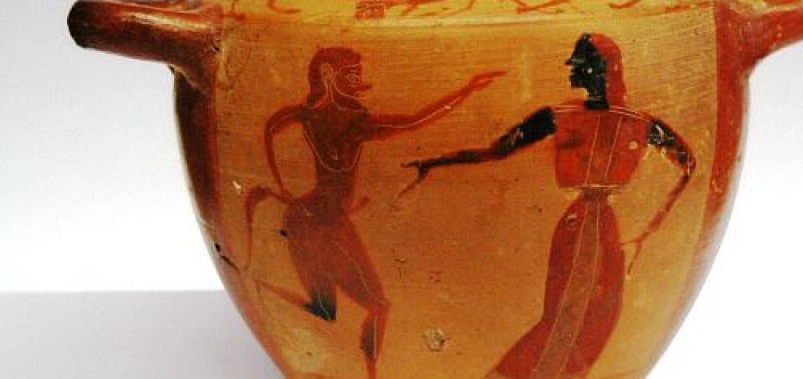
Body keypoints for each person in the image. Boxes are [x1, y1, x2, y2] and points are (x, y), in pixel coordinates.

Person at [405, 34, 695, 379]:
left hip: (598, 229)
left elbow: (688, 165)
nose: (572, 72)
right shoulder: (575, 118)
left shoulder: (626, 122)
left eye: (579, 65)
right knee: (567, 314)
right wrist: (439, 161)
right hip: (582, 227)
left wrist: (651, 227)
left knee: (596, 315)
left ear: (600, 70)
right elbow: (498, 150)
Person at [248, 46, 502, 379]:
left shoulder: (312, 117)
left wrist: (280, 189)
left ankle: (262, 287)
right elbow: (412, 122)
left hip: (311, 218)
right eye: (351, 75)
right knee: (373, 305)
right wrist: (465, 91)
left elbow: (270, 130)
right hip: (321, 222)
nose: (358, 81)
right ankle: (368, 371)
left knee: (326, 308)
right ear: (328, 75)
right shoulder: (350, 123)